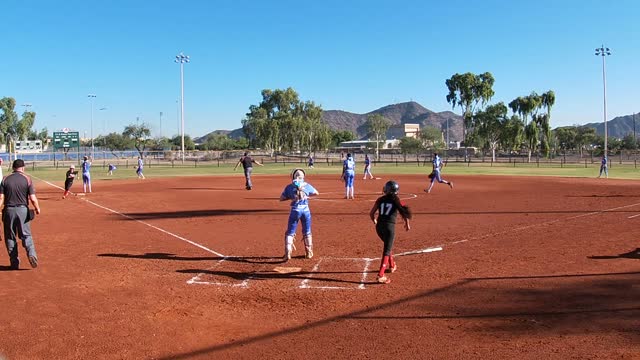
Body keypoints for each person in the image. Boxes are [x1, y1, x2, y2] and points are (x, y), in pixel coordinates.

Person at [0, 159, 42, 270]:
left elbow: (1, 198)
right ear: (23, 168)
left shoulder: (5, 179)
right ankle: (32, 254)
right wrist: (37, 208)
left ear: (13, 168)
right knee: (26, 235)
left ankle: (14, 262)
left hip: (8, 210)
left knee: (10, 237)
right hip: (23, 210)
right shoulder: (27, 179)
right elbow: (32, 198)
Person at [369, 180, 412, 284]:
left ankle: (392, 265)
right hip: (389, 227)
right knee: (387, 250)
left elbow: (371, 213)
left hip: (379, 227)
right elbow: (404, 212)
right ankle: (380, 275)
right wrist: (407, 223)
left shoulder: (380, 199)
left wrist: (374, 220)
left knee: (388, 246)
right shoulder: (396, 200)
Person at [280, 168, 319, 261]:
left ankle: (288, 251)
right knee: (307, 231)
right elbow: (316, 193)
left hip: (295, 210)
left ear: (293, 176)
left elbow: (281, 198)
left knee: (290, 232)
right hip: (306, 210)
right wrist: (307, 196)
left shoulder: (289, 187)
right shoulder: (307, 185)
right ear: (303, 176)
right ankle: (309, 252)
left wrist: (291, 197)